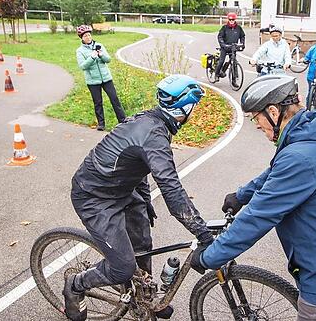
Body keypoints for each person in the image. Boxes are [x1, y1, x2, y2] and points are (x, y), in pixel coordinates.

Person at [192, 75, 316, 321]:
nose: (258, 127)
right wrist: (241, 195)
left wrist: (209, 257)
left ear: (274, 112)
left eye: (257, 119)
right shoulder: (308, 138)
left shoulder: (300, 157)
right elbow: (275, 173)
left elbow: (258, 217)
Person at [63, 74, 214, 321]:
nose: (193, 113)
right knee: (122, 267)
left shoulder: (154, 121)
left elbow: (135, 161)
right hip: (94, 196)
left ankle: (144, 297)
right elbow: (172, 189)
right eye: (193, 108)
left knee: (142, 244)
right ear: (184, 108)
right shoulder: (154, 134)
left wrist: (144, 199)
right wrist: (202, 232)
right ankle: (76, 284)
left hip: (121, 187)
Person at [75, 24, 127, 131]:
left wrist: (101, 54)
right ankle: (101, 124)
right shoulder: (80, 51)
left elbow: (108, 60)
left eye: (89, 35)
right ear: (81, 38)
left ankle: (123, 121)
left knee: (114, 99)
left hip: (106, 78)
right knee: (98, 102)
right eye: (85, 36)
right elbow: (83, 66)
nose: (88, 37)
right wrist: (92, 57)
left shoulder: (99, 45)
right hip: (93, 81)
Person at [216, 12, 245, 78]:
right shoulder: (224, 27)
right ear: (228, 20)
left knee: (234, 63)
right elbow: (220, 36)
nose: (231, 21)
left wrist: (242, 44)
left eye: (233, 20)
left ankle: (234, 80)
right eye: (230, 20)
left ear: (235, 20)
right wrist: (223, 44)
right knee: (221, 61)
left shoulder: (238, 28)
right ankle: (217, 74)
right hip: (225, 47)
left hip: (233, 47)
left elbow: (242, 36)